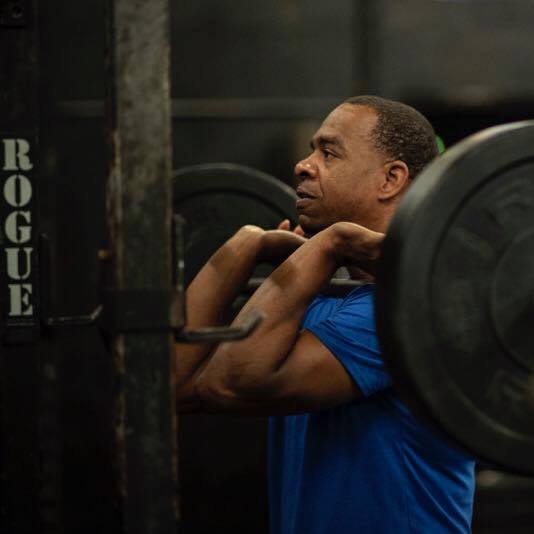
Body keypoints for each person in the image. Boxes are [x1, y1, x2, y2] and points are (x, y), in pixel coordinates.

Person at [175, 95, 476, 533]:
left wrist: (328, 245)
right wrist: (244, 246)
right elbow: (172, 388)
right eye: (311, 150)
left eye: (329, 153)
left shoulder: (401, 315)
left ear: (390, 179)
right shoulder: (325, 299)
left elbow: (228, 384)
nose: (303, 165)